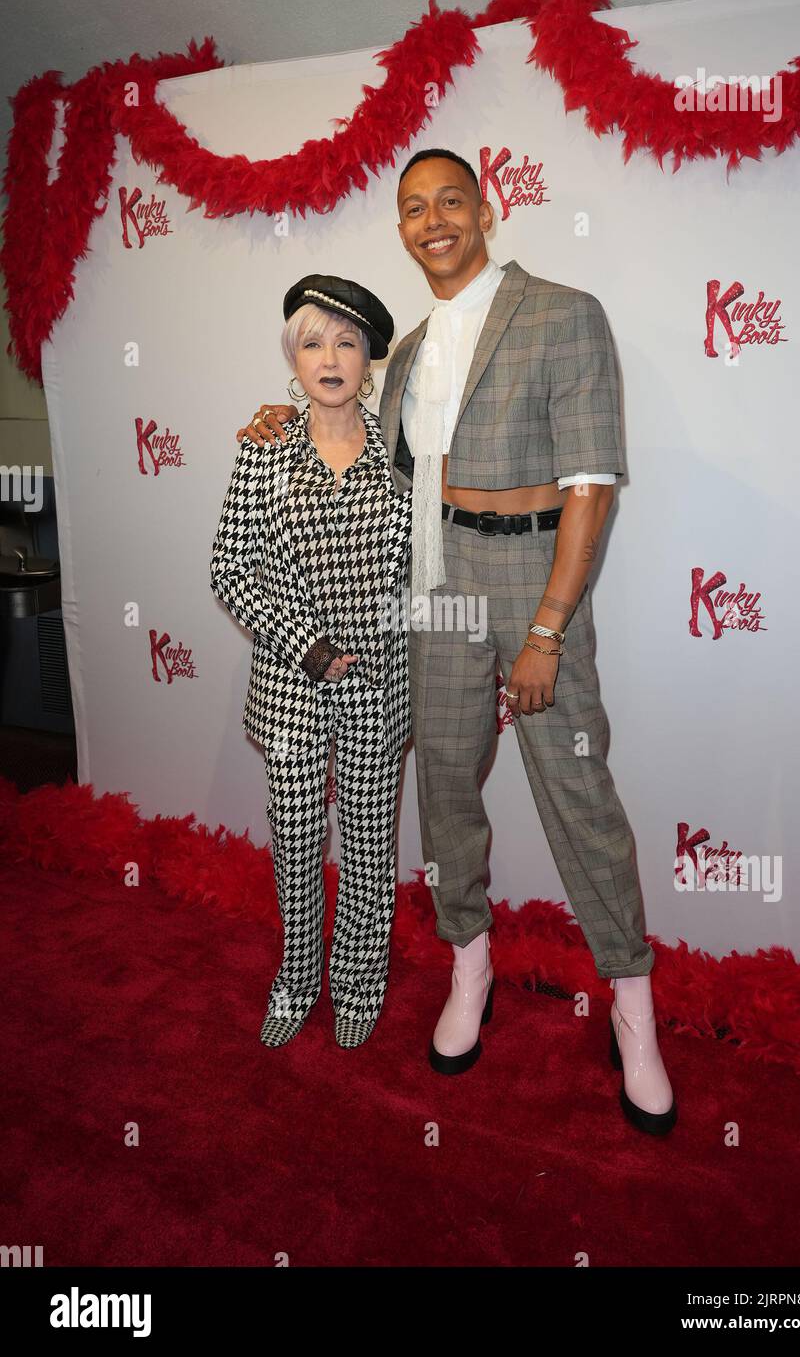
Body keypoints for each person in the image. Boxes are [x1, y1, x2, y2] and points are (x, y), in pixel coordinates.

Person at [235, 150, 677, 1134]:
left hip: (528, 590)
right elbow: (358, 443)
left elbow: (590, 485)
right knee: (441, 792)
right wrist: (279, 422)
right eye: (411, 209)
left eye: (448, 201)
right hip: (431, 600)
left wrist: (547, 631)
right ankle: (466, 965)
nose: (431, 220)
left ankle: (631, 1006)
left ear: (485, 208)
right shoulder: (417, 347)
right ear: (399, 229)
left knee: (578, 798)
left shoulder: (564, 313)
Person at [211, 276, 412, 1050]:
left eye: (347, 342)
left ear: (369, 358)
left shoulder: (403, 453)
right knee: (295, 842)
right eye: (312, 342)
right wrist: (308, 646)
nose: (330, 357)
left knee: (367, 842)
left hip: (376, 683)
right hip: (293, 685)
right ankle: (296, 979)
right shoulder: (265, 449)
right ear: (292, 358)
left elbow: (420, 569)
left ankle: (360, 980)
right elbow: (231, 571)